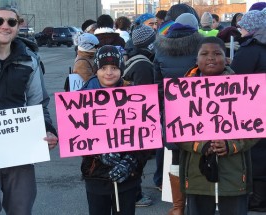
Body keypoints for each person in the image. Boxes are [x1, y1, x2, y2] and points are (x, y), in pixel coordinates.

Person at [0, 0, 58, 214]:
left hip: (20, 150)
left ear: (18, 25)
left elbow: (38, 101)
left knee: (21, 208)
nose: (5, 25)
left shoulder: (30, 59)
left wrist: (47, 129)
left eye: (11, 21)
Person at [179, 36, 258, 215]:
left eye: (217, 53)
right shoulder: (182, 90)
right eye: (204, 53)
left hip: (234, 174)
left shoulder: (244, 89)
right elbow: (174, 131)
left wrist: (231, 145)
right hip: (197, 175)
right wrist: (200, 145)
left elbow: (256, 128)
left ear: (227, 58)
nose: (211, 58)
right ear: (196, 59)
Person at [80, 45, 149, 215]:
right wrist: (97, 153)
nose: (109, 73)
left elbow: (147, 136)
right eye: (103, 68)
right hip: (95, 176)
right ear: (96, 70)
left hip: (128, 176)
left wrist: (131, 161)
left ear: (122, 69)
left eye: (114, 68)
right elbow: (77, 137)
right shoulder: (82, 98)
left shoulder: (135, 95)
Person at [154, 12, 203, 215]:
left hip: (172, 109)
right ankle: (197, 204)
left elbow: (157, 84)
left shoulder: (160, 47)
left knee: (175, 156)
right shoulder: (201, 45)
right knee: (199, 154)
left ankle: (177, 207)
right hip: (199, 109)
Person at [230, 9, 266, 212]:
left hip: (256, 109)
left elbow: (235, 80)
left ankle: (259, 199)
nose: (240, 31)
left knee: (258, 153)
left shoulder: (250, 49)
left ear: (251, 29)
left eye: (242, 27)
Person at [123, 24, 156, 207]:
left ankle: (134, 194)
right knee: (136, 160)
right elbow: (144, 97)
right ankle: (135, 196)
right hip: (138, 119)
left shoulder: (136, 58)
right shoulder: (143, 64)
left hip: (133, 117)